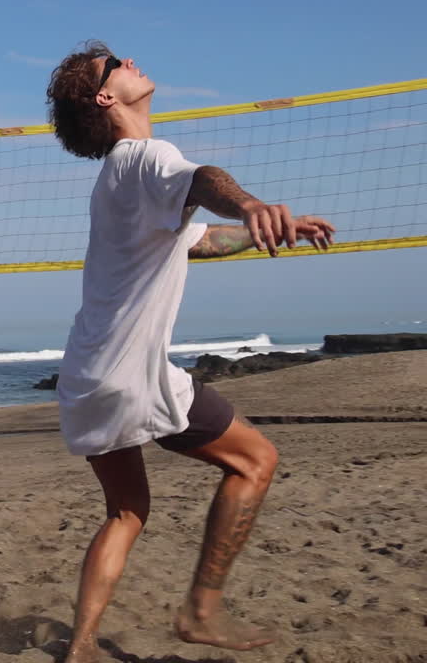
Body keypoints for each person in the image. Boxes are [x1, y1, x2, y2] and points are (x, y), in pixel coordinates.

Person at [45, 42, 335, 661]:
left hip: (85, 375)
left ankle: (82, 648)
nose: (131, 62)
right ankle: (201, 610)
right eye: (117, 63)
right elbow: (204, 181)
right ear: (106, 96)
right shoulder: (151, 157)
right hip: (134, 376)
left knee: (126, 512)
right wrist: (255, 205)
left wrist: (267, 231)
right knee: (256, 462)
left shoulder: (117, 179)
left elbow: (198, 241)